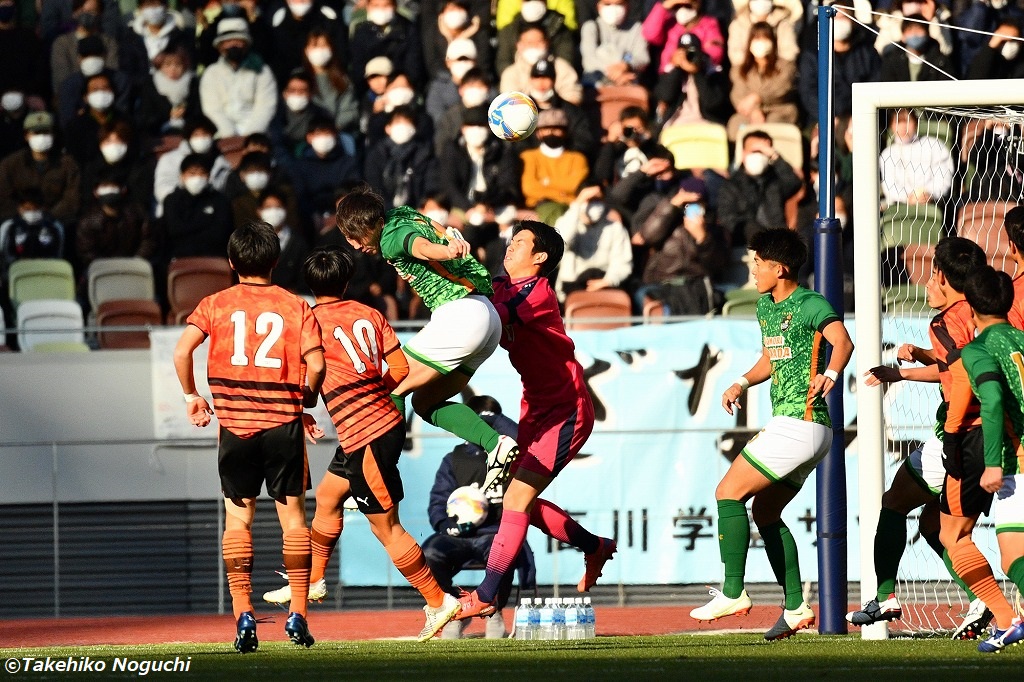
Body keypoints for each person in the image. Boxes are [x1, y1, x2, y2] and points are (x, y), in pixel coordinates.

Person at [262, 246, 464, 641]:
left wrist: (303, 406)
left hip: (365, 432)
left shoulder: (307, 320)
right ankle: (314, 580)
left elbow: (307, 373)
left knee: (386, 527)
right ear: (347, 280)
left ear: (308, 283)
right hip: (376, 424)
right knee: (327, 497)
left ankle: (439, 601)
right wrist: (373, 393)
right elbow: (400, 368)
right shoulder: (370, 313)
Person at [692, 228, 853, 640]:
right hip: (803, 428)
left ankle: (733, 591)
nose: (753, 269)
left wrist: (831, 374)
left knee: (728, 493)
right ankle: (796, 606)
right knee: (765, 513)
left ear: (779, 268)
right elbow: (771, 357)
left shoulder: (810, 303)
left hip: (801, 421)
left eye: (758, 263)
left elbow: (842, 341)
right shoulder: (766, 306)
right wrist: (741, 383)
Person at [172, 221, 326, 653]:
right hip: (283, 426)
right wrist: (306, 400)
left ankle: (243, 614)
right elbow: (316, 366)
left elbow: (182, 351)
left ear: (231, 262)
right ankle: (298, 614)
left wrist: (192, 397)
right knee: (294, 522)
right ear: (276, 260)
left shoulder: (215, 303)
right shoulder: (296, 305)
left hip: (235, 427)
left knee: (238, 520)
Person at [455, 220, 617, 620]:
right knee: (521, 502)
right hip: (535, 407)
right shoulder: (502, 286)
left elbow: (488, 313)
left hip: (565, 409)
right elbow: (479, 294)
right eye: (510, 241)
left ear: (540, 256)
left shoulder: (538, 292)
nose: (509, 247)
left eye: (520, 242)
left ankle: (486, 594)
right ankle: (595, 546)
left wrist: (454, 274)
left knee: (515, 499)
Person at [849, 237, 994, 640]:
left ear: (944, 278)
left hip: (961, 433)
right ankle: (983, 600)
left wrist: (952, 429)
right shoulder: (983, 313)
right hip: (994, 432)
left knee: (893, 502)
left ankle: (885, 597)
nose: (927, 283)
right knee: (935, 523)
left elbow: (960, 372)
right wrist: (907, 370)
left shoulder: (944, 321)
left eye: (931, 274)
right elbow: (961, 363)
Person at [335, 187, 520, 492]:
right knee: (425, 402)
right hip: (487, 316)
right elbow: (432, 229)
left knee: (390, 387)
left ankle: (379, 477)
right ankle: (495, 444)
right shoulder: (402, 213)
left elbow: (419, 246)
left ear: (372, 225)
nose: (354, 244)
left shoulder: (391, 239)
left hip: (461, 315)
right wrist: (450, 240)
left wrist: (447, 251)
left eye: (355, 236)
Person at [946, 266, 1024, 653]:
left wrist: (993, 462)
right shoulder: (1021, 339)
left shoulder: (978, 349)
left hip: (1017, 461)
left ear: (971, 307)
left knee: (1012, 557)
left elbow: (991, 400)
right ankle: (1013, 625)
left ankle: (1011, 622)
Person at [422, 396, 536, 640]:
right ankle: (454, 607)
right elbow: (437, 503)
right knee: (429, 553)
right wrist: (448, 526)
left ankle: (492, 609)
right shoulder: (454, 459)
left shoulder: (512, 457)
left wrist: (493, 419)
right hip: (458, 536)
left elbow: (524, 440)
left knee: (505, 550)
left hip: (494, 533)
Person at [717, 130, 802, 247]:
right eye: (754, 151)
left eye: (762, 152)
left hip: (777, 242)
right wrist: (750, 229)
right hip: (745, 244)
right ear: (743, 154)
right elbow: (726, 217)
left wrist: (775, 156)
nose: (757, 155)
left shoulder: (776, 180)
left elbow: (794, 183)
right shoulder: (731, 184)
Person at [199, 17, 278, 139]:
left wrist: (250, 137)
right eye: (228, 41)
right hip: (222, 135)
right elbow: (212, 109)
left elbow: (265, 108)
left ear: (246, 44)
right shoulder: (211, 73)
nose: (233, 45)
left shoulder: (262, 71)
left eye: (238, 41)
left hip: (257, 136)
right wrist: (229, 135)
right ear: (220, 46)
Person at [553, 184, 633, 302]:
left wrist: (608, 281)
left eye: (597, 200)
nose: (593, 204)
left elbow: (622, 263)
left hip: (605, 286)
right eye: (589, 200)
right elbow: (560, 241)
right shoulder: (567, 222)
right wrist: (577, 204)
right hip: (571, 288)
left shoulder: (616, 228)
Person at [0, 112, 80, 226]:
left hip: (57, 223)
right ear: (27, 136)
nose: (41, 137)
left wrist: (49, 215)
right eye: (36, 133)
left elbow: (72, 198)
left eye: (46, 132)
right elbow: (3, 195)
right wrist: (20, 211)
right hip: (17, 222)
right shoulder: (11, 164)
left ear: (53, 135)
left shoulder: (67, 164)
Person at [726, 21, 799, 140]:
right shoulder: (740, 69)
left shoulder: (785, 66)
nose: (761, 43)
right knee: (736, 126)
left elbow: (782, 88)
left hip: (779, 111)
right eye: (757, 38)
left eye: (765, 38)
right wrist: (754, 111)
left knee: (772, 127)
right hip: (748, 113)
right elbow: (738, 94)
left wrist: (758, 97)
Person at [879, 108, 954, 208]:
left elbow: (943, 177)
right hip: (899, 207)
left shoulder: (934, 145)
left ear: (916, 122)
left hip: (932, 205)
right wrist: (908, 198)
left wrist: (929, 194)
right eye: (898, 122)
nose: (903, 127)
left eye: (907, 121)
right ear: (891, 126)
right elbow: (889, 185)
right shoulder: (887, 154)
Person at [580, 0, 650, 87]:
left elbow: (643, 58)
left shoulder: (637, 28)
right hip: (596, 86)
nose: (613, 9)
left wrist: (626, 65)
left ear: (627, 6)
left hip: (627, 85)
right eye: (607, 4)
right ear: (598, 7)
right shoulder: (591, 27)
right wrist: (616, 75)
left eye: (619, 4)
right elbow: (589, 60)